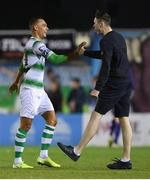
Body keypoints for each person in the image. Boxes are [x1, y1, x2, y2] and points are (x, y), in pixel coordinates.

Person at [57, 10, 133, 169]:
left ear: (101, 23)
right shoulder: (118, 37)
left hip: (114, 84)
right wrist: (85, 53)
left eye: (94, 23)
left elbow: (106, 66)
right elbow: (105, 56)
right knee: (124, 118)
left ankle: (76, 151)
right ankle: (126, 160)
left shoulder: (105, 41)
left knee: (96, 115)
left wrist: (98, 88)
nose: (93, 26)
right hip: (126, 82)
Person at [9, 17, 86, 168]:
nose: (47, 28)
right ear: (35, 28)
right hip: (30, 90)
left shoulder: (30, 45)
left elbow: (22, 66)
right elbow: (56, 59)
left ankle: (43, 156)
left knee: (52, 120)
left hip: (39, 90)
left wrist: (16, 81)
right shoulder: (37, 45)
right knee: (26, 125)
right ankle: (17, 161)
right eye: (44, 25)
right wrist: (76, 52)